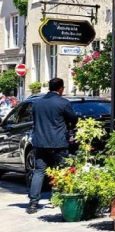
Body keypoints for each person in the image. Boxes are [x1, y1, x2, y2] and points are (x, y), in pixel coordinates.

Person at [26, 78, 78, 214]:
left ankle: (33, 203)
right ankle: (62, 197)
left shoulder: (37, 103)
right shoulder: (63, 103)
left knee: (39, 171)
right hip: (59, 143)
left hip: (40, 143)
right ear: (60, 88)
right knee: (63, 170)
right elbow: (73, 119)